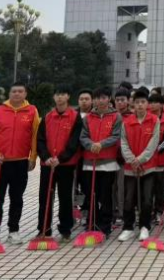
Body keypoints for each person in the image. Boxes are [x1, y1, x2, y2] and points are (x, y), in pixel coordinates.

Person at [0, 82, 40, 244]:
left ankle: (13, 230)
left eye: (20, 91)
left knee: (17, 198)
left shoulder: (32, 111)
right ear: (9, 93)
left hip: (20, 163)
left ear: (25, 94)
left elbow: (35, 136)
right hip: (0, 163)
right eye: (14, 91)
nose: (17, 94)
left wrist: (33, 157)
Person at [36, 86, 82, 242]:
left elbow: (74, 142)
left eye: (63, 94)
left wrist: (61, 158)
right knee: (45, 197)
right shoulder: (47, 117)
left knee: (65, 198)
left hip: (66, 165)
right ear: (54, 97)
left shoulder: (75, 117)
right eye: (57, 94)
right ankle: (44, 229)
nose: (60, 97)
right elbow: (40, 140)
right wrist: (46, 157)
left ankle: (65, 230)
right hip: (48, 165)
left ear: (68, 96)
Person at [80, 86, 123, 237]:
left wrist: (101, 144)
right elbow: (83, 136)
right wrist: (90, 145)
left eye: (104, 97)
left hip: (108, 163)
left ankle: (105, 225)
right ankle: (92, 223)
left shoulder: (116, 117)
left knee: (105, 195)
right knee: (91, 194)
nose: (100, 101)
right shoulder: (87, 118)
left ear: (109, 99)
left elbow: (116, 136)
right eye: (97, 98)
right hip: (89, 162)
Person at [118, 90, 160, 242]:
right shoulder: (127, 122)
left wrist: (140, 160)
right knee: (129, 199)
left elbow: (153, 143)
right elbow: (123, 143)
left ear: (147, 104)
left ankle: (145, 227)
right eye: (137, 102)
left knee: (147, 199)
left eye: (143, 102)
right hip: (130, 168)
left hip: (148, 167)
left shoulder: (154, 120)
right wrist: (132, 160)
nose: (140, 105)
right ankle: (128, 228)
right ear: (133, 104)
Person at [113, 88, 132, 225]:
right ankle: (112, 212)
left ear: (128, 101)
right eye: (117, 100)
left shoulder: (131, 117)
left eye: (122, 100)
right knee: (111, 187)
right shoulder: (111, 116)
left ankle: (122, 213)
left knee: (122, 187)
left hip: (125, 158)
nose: (120, 102)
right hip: (110, 157)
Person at [75, 89, 93, 225]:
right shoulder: (73, 115)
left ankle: (87, 210)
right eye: (81, 99)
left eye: (87, 99)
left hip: (89, 156)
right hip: (74, 157)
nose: (84, 101)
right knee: (74, 185)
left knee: (87, 185)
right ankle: (75, 210)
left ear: (92, 100)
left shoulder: (95, 115)